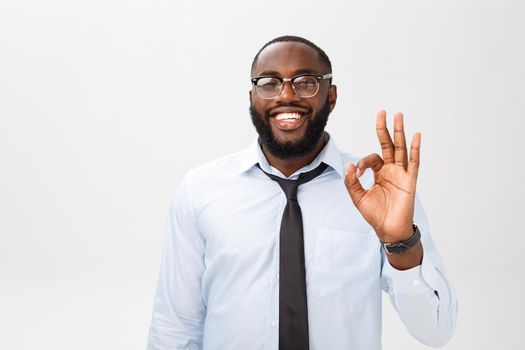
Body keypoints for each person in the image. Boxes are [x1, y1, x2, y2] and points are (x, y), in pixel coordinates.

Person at [147, 35, 457, 350]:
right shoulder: (200, 191)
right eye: (269, 83)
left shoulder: (379, 192)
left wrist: (400, 243)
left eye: (305, 82)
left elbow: (435, 330)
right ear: (253, 96)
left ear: (331, 96)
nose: (286, 95)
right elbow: (175, 330)